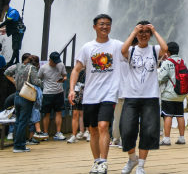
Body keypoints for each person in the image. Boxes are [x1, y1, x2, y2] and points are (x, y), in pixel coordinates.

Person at [68, 14, 124, 174]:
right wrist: (71, 89)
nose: (104, 27)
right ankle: (96, 161)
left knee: (103, 126)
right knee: (93, 130)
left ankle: (104, 162)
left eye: (107, 24)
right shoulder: (87, 48)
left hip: (109, 93)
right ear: (94, 27)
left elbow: (131, 50)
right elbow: (76, 70)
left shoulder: (117, 45)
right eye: (101, 24)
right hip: (90, 95)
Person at [118, 20, 167, 174]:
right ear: (136, 34)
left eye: (147, 32)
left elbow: (165, 48)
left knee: (148, 130)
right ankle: (132, 158)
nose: (144, 35)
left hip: (150, 97)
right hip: (131, 96)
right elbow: (122, 50)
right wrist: (134, 31)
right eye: (141, 32)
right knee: (126, 129)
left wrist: (155, 30)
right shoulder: (131, 51)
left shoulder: (155, 49)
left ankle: (141, 165)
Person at [5, 53, 42, 152]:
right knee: (23, 121)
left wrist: (14, 81)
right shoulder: (32, 68)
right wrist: (42, 81)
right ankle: (19, 146)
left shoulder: (17, 66)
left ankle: (16, 144)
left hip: (17, 94)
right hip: (26, 95)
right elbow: (36, 81)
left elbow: (6, 72)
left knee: (18, 121)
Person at [158, 41, 187, 146]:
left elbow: (161, 78)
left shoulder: (167, 62)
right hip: (181, 94)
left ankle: (166, 139)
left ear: (168, 51)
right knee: (180, 115)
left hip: (169, 94)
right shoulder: (182, 61)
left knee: (168, 115)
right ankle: (182, 138)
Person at [37, 51, 67, 141]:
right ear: (50, 60)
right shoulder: (43, 68)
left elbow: (65, 75)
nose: (56, 63)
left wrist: (64, 79)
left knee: (59, 112)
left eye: (57, 61)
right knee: (46, 113)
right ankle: (45, 133)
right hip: (47, 92)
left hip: (59, 91)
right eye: (54, 61)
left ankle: (58, 132)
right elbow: (39, 78)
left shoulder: (61, 65)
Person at [68, 72, 87, 143]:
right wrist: (71, 90)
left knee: (84, 113)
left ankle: (87, 132)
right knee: (75, 113)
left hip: (86, 89)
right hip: (76, 90)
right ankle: (74, 135)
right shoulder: (75, 70)